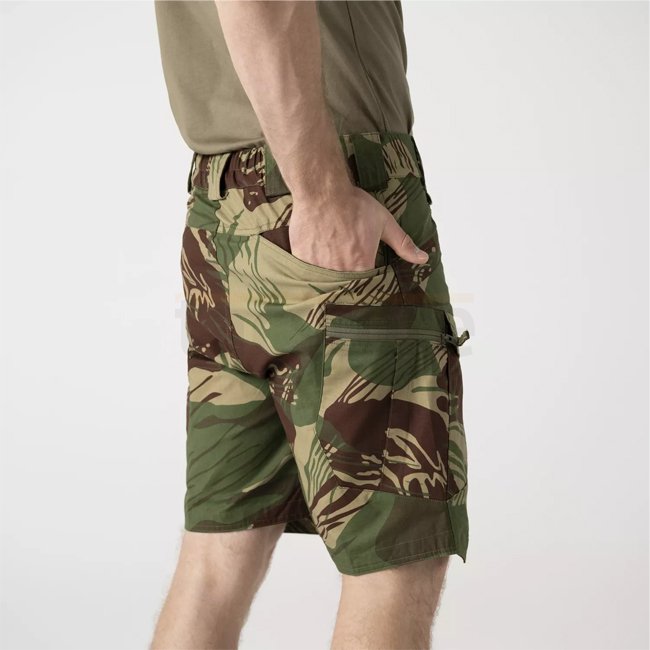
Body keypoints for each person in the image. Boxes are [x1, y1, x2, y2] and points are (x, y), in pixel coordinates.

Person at [150, 2, 470, 648]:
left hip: (223, 219)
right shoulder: (320, 186)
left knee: (217, 560)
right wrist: (320, 190)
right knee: (395, 552)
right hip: (322, 193)